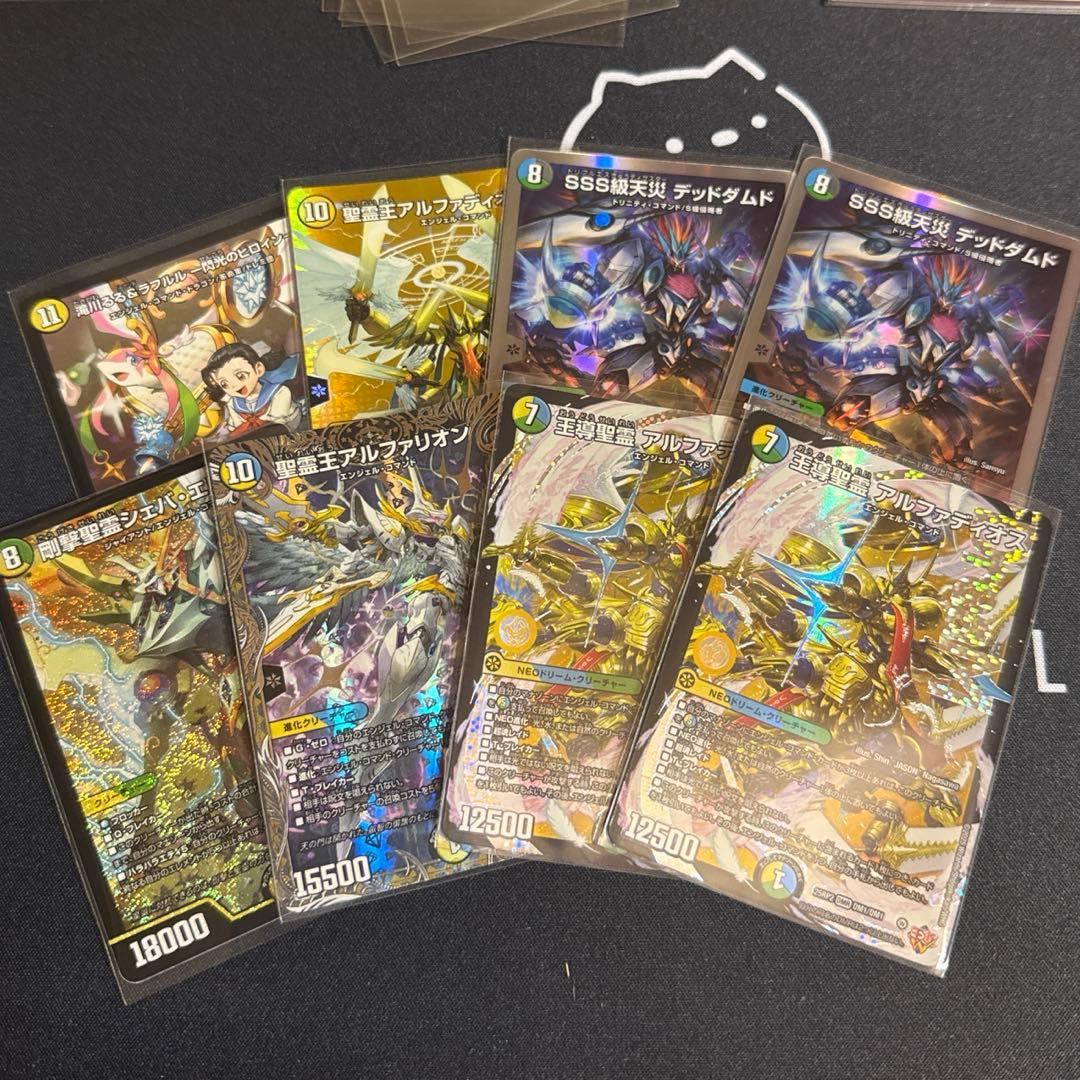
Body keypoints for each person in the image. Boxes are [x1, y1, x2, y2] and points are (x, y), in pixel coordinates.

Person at [201, 342, 303, 437]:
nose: (234, 386)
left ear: (259, 369)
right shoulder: (232, 403)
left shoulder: (279, 392)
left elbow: (278, 424)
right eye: (224, 384)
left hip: (285, 427)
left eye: (240, 376)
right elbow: (237, 427)